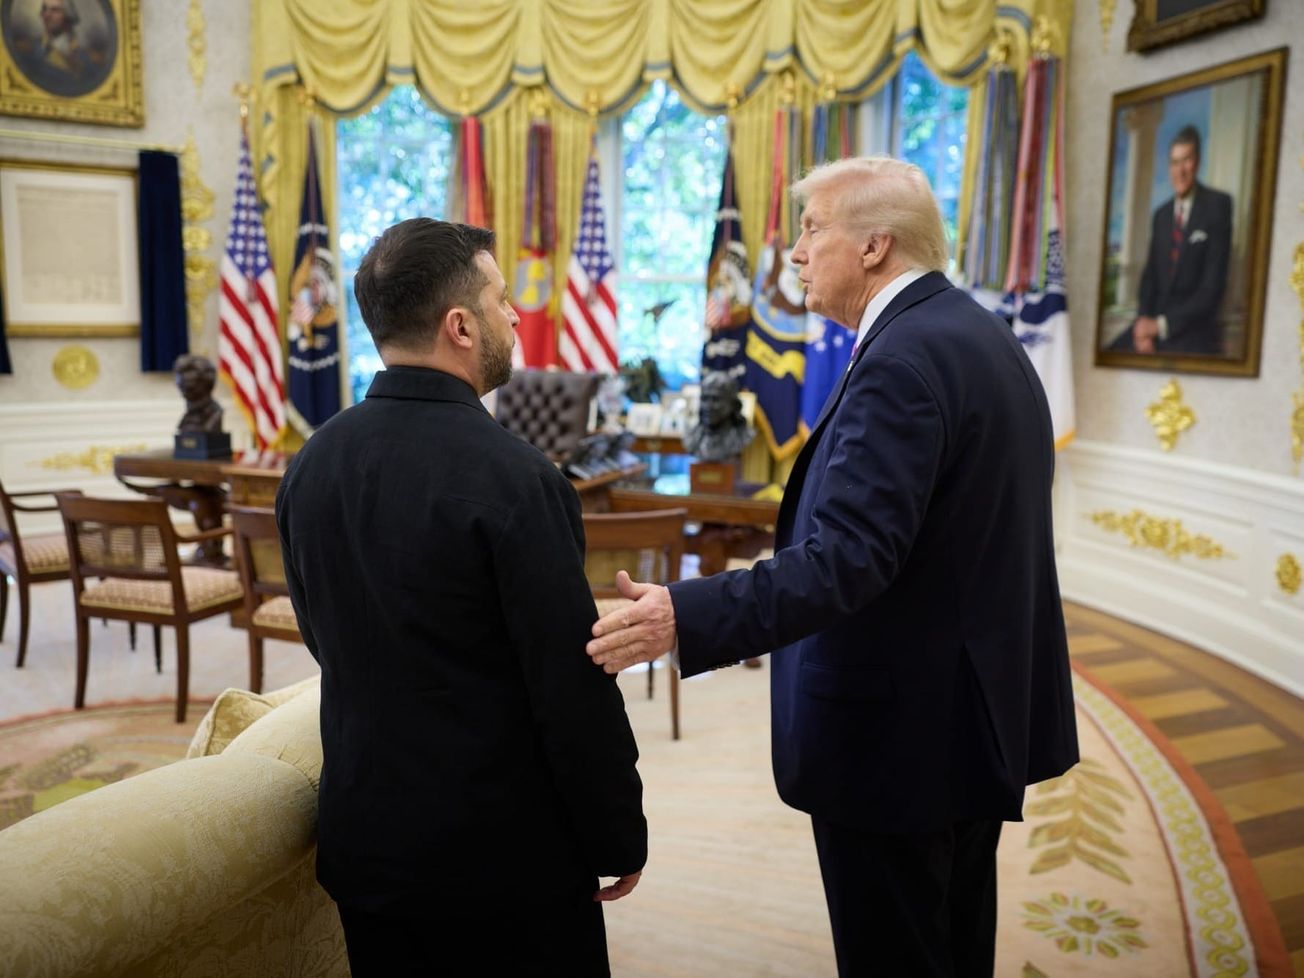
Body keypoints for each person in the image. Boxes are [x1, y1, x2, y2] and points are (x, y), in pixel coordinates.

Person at [586, 157, 1079, 977]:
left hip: (901, 739)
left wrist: (685, 614)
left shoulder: (900, 362)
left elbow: (846, 560)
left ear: (877, 245)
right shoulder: (973, 332)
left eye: (813, 228)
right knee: (952, 938)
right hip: (964, 718)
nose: (797, 252)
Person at [276, 219, 646, 977]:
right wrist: (617, 832)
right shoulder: (517, 478)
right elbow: (568, 687)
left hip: (367, 843)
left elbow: (324, 638)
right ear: (460, 326)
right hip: (504, 863)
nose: (515, 316)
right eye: (503, 300)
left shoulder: (312, 463)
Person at [1126, 125, 1232, 355]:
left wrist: (1161, 325)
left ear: (1197, 162)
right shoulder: (1161, 215)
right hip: (1153, 329)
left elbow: (1211, 288)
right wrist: (1144, 323)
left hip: (1192, 332)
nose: (1180, 171)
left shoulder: (1218, 207)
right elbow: (1150, 276)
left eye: (1186, 161)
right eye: (1174, 162)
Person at [682, 370, 752, 461]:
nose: (708, 406)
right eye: (705, 399)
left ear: (733, 404)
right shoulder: (691, 438)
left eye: (716, 399)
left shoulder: (743, 437)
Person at [172, 354, 222, 433]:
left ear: (206, 384)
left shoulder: (214, 415)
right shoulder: (186, 419)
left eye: (190, 386)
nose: (184, 390)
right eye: (181, 385)